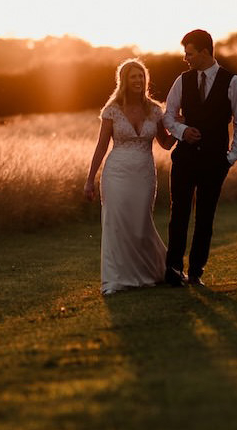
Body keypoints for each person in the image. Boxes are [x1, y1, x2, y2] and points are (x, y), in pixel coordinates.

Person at [160, 29, 237, 288]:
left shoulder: (232, 82)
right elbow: (168, 115)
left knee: (205, 217)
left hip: (214, 161)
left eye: (189, 53)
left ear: (205, 52)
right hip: (184, 159)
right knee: (179, 214)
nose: (185, 58)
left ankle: (196, 271)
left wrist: (230, 158)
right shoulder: (182, 80)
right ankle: (173, 270)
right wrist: (182, 131)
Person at [85, 59, 177, 296]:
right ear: (124, 80)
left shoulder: (155, 110)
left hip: (144, 174)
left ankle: (156, 271)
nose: (138, 80)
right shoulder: (112, 110)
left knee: (140, 223)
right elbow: (101, 146)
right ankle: (116, 280)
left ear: (146, 79)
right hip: (116, 173)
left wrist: (180, 128)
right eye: (133, 76)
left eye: (141, 76)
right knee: (116, 223)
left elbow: (166, 143)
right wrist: (89, 179)